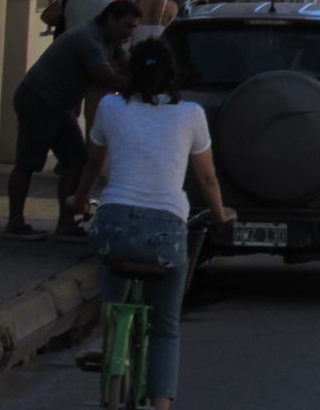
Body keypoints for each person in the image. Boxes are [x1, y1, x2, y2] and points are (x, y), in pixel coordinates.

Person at [68, 39, 235, 410]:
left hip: (113, 221)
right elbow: (207, 179)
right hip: (164, 230)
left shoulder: (111, 107)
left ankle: (106, 334)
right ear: (173, 76)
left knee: (113, 258)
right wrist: (221, 215)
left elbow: (93, 165)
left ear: (131, 74)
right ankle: (161, 404)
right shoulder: (191, 114)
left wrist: (79, 200)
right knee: (165, 326)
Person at [6, 0, 137, 240]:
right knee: (28, 162)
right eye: (127, 26)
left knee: (76, 159)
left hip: (60, 105)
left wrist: (141, 74)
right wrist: (139, 87)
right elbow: (105, 75)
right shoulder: (88, 39)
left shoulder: (110, 39)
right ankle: (15, 223)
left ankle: (66, 223)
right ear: (111, 20)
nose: (130, 34)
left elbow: (126, 62)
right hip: (40, 100)